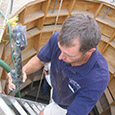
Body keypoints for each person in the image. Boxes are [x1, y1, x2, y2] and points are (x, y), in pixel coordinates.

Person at [8, 14, 109, 115]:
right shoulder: (57, 38)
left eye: (68, 55)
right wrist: (23, 71)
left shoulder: (98, 78)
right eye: (60, 49)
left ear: (89, 51)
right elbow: (40, 60)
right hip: (57, 92)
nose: (60, 57)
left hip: (66, 106)